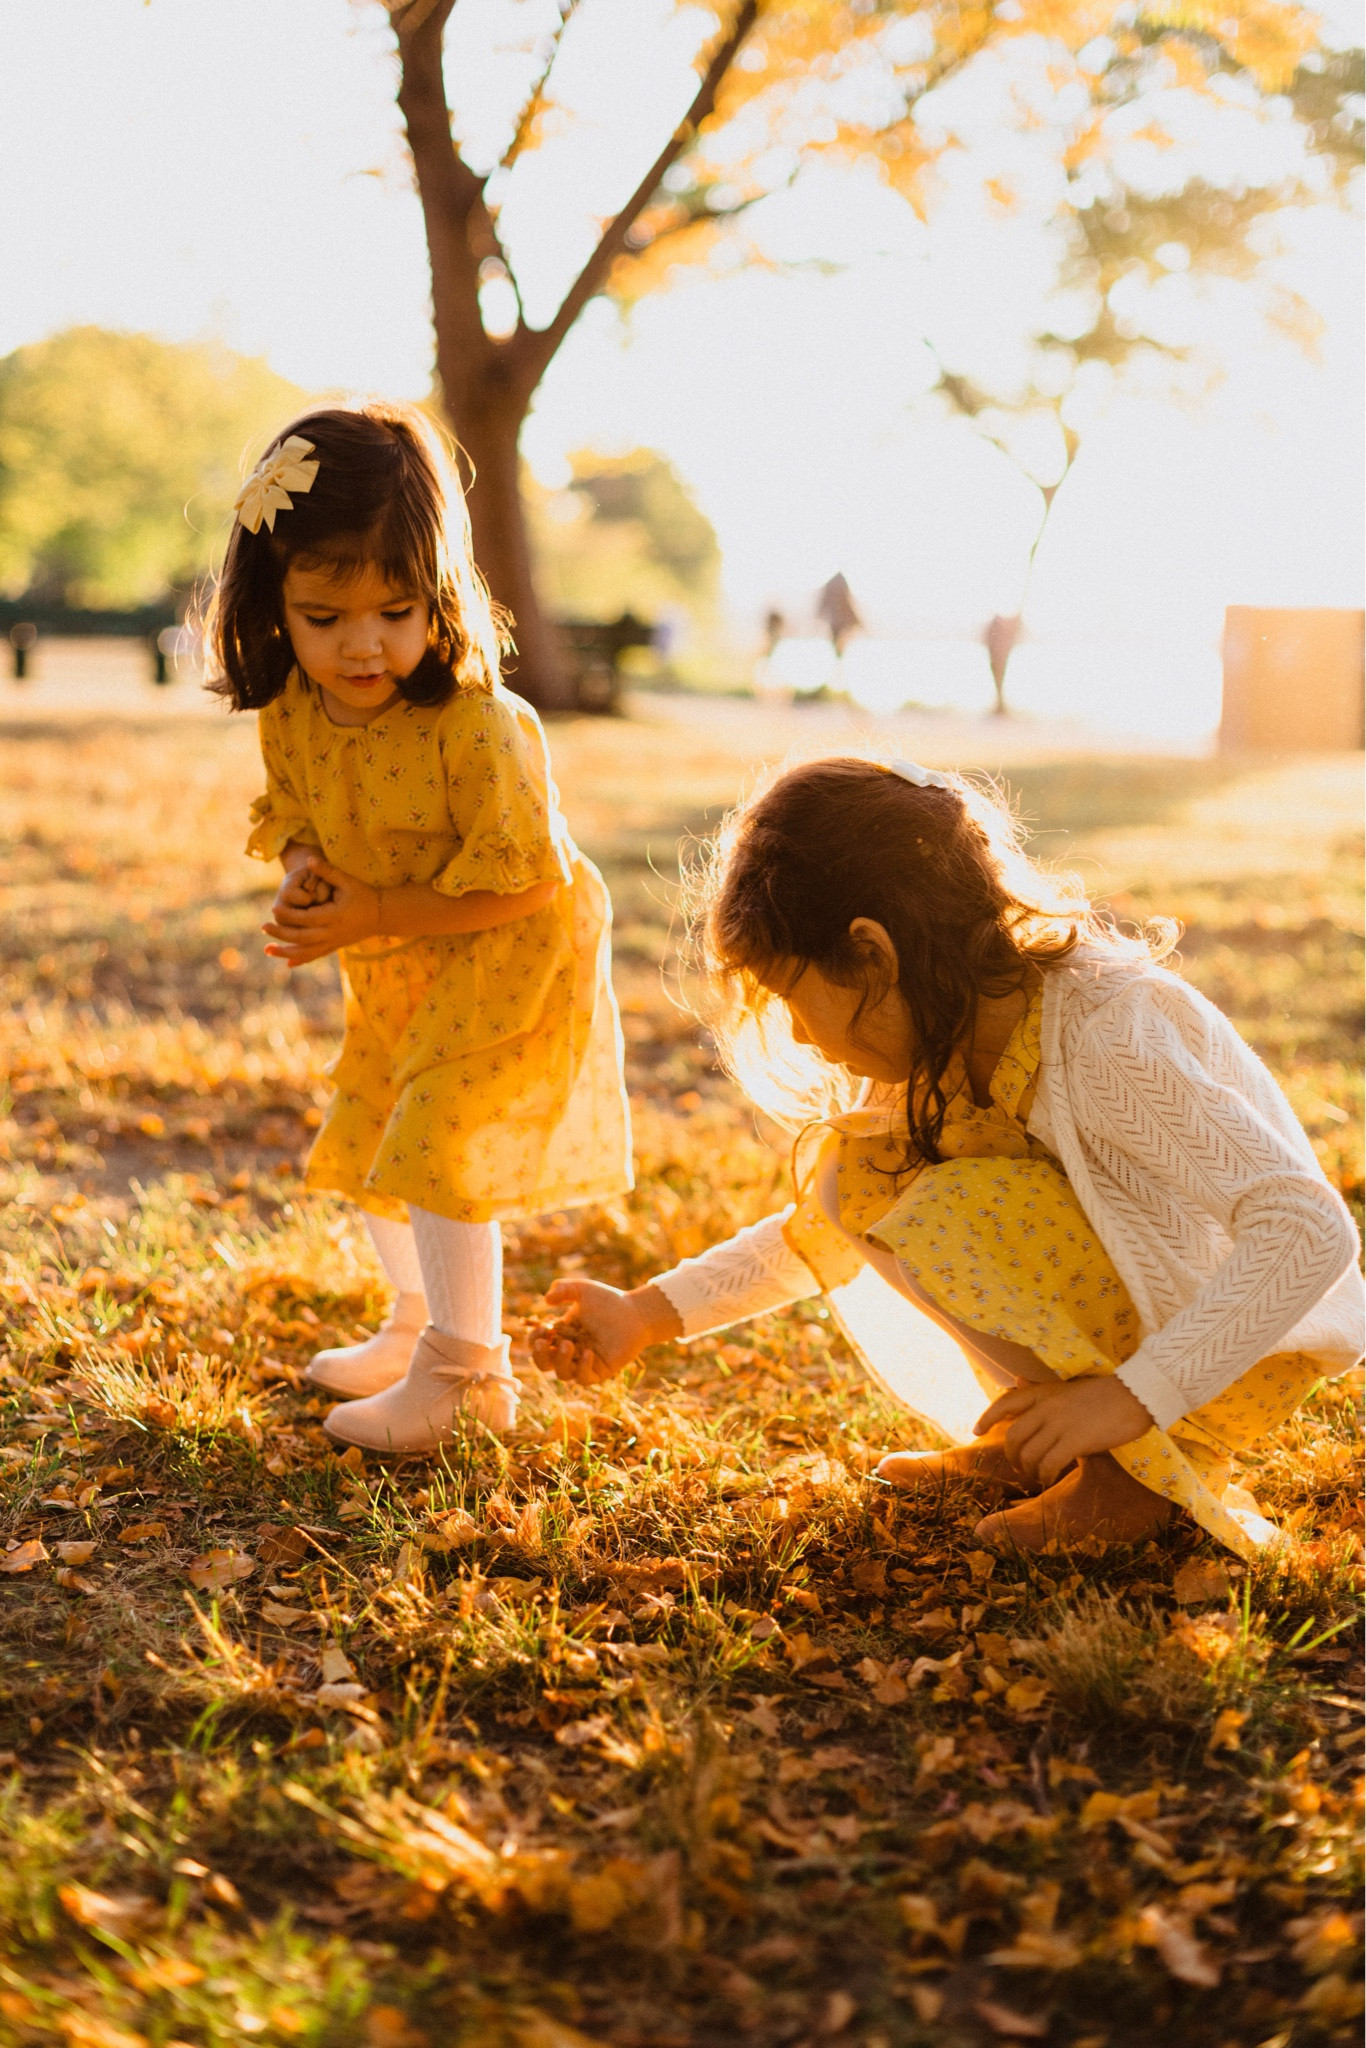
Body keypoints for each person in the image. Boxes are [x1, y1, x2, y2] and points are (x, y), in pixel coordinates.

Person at [531, 757, 1363, 1556]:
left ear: (871, 954)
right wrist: (645, 1312)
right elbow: (813, 1230)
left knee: (945, 1205)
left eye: (792, 994)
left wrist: (1133, 1396)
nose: (793, 1030)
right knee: (862, 1170)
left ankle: (1130, 1477)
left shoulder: (1104, 1031)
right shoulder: (936, 1034)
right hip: (1152, 1338)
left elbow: (1308, 1230)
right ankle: (1052, 1443)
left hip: (1230, 1343)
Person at [208, 404, 631, 1452]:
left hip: (504, 956)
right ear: (273, 602)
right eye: (324, 615)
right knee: (373, 1137)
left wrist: (379, 910)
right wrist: (309, 881)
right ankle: (413, 1324)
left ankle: (465, 1374)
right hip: (396, 964)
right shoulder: (293, 712)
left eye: (396, 610)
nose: (363, 644)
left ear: (441, 593)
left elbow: (530, 882)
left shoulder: (481, 727)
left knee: (438, 1143)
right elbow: (300, 821)